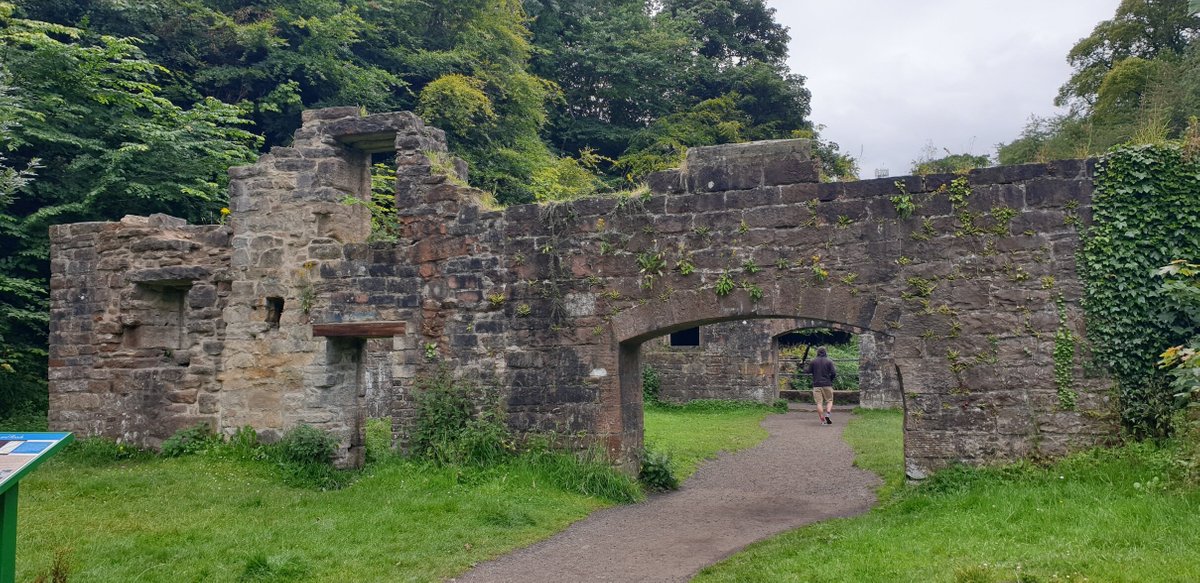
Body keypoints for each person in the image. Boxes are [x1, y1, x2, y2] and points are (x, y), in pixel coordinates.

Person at [804, 347, 837, 425]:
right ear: (825, 352)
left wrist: (802, 367)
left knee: (819, 403)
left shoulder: (813, 361)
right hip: (827, 384)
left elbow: (808, 371)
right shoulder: (829, 361)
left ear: (817, 352)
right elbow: (833, 373)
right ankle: (828, 414)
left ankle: (822, 420)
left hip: (816, 384)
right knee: (829, 401)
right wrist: (830, 380)